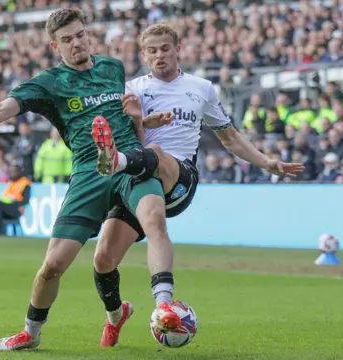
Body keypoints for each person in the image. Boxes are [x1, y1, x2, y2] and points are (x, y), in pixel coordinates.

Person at [0, 8, 178, 352]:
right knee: (52, 267)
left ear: (87, 34)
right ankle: (32, 333)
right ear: (54, 45)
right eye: (67, 39)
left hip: (128, 164)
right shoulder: (48, 83)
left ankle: (164, 303)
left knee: (155, 220)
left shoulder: (113, 68)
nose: (76, 43)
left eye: (80, 35)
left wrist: (141, 123)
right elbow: (1, 111)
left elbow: (130, 121)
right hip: (89, 174)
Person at [90, 23, 305, 347]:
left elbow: (229, 137)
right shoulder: (132, 89)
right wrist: (138, 120)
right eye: (152, 50)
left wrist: (267, 162)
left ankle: (164, 304)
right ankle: (116, 315)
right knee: (103, 259)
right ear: (144, 54)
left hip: (179, 178)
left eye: (165, 48)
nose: (159, 55)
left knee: (157, 154)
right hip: (138, 181)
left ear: (178, 49)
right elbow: (129, 139)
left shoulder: (201, 88)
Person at [0, 165, 32, 235]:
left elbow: (26, 200)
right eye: (11, 172)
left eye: (14, 172)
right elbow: (5, 197)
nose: (12, 174)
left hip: (15, 209)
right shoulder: (11, 182)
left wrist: (15, 201)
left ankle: (0, 230)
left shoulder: (25, 183)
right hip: (4, 206)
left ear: (19, 172)